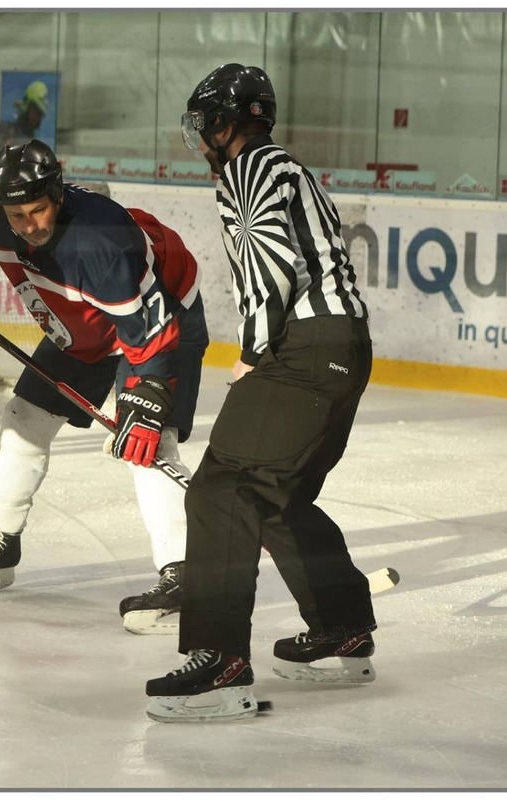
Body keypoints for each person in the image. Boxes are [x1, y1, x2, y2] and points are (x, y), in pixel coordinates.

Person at [144, 64, 376, 722]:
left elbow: (266, 262)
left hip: (301, 350)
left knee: (224, 487)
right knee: (280, 495)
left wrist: (251, 354)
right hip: (342, 348)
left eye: (206, 123)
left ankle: (220, 661)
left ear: (229, 121)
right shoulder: (286, 168)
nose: (203, 138)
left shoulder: (251, 167)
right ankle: (341, 629)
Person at [0, 139, 209, 632]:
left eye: (39, 209)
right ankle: (3, 540)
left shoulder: (101, 238)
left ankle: (182, 574)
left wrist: (146, 398)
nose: (31, 225)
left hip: (160, 322)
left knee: (148, 442)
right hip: (80, 324)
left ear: (57, 194)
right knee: (24, 417)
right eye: (17, 214)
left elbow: (151, 335)